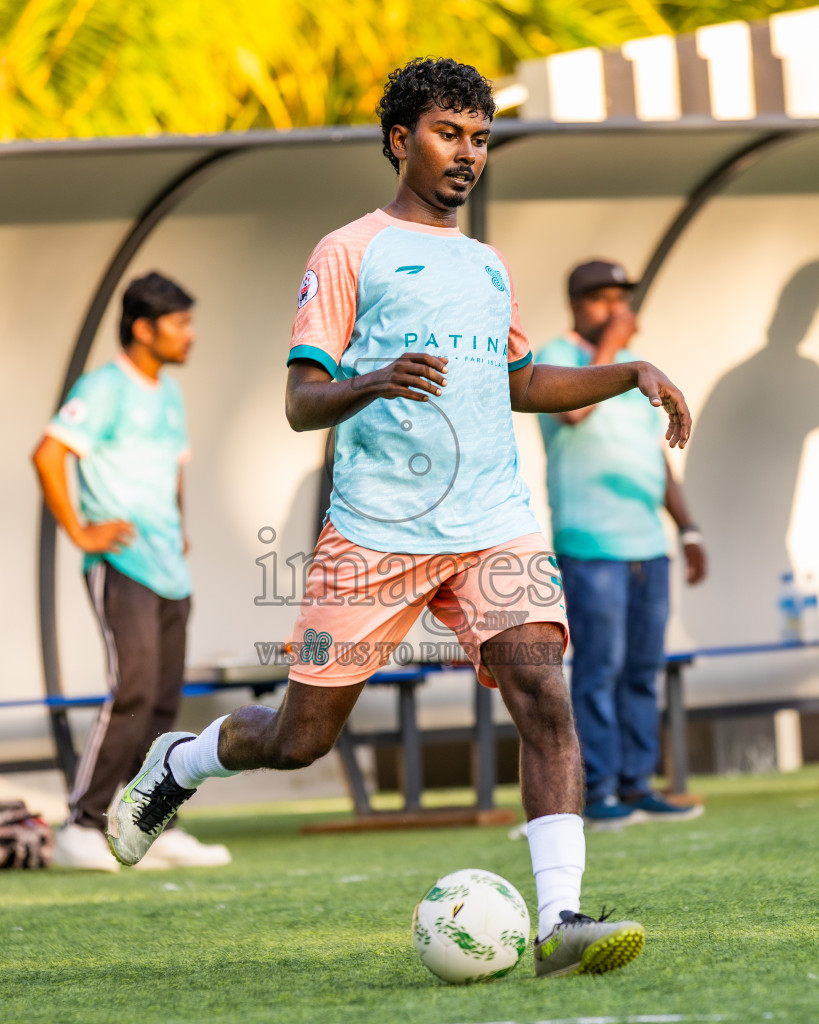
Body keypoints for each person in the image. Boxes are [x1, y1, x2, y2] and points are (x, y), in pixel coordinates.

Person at [107, 60, 691, 976]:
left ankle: (560, 923)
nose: (467, 154)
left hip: (493, 524)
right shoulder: (348, 251)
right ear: (398, 139)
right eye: (448, 134)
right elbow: (301, 401)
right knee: (299, 740)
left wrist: (626, 373)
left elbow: (518, 382)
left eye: (479, 138)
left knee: (545, 694)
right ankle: (181, 764)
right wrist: (374, 379)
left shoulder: (486, 265)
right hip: (376, 530)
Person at [32, 271, 230, 871]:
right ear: (144, 329)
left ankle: (155, 822)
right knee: (134, 693)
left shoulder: (168, 393)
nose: (190, 334)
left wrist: (178, 526)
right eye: (180, 323)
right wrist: (80, 532)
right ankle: (81, 824)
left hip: (170, 570)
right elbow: (49, 454)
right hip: (122, 566)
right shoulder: (104, 388)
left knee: (164, 703)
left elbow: (173, 468)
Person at [535, 260, 707, 825]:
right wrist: (616, 347)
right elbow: (575, 413)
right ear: (574, 304)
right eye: (601, 298)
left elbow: (655, 455)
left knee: (641, 669)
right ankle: (599, 790)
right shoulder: (555, 356)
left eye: (620, 299)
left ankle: (637, 784)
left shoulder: (637, 371)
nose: (614, 309)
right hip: (592, 544)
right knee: (599, 669)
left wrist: (688, 528)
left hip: (647, 545)